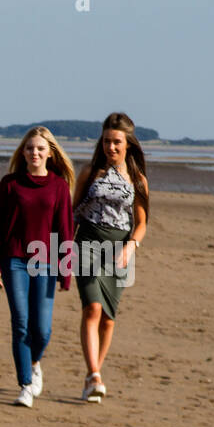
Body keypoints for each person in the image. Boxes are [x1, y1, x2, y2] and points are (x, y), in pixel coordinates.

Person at [0, 126, 75, 407]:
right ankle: (25, 384)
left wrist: (66, 272)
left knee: (43, 329)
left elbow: (65, 230)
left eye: (40, 149)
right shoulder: (10, 184)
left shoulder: (59, 187)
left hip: (46, 263)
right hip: (15, 262)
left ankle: (35, 363)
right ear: (22, 152)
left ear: (50, 153)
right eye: (29, 148)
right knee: (21, 323)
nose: (34, 153)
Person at [72, 112, 149, 402]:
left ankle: (92, 376)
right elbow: (73, 212)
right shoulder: (90, 172)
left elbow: (141, 222)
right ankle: (94, 375)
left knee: (108, 318)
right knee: (92, 308)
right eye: (106, 141)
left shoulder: (138, 179)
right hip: (88, 242)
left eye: (116, 142)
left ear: (128, 143)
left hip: (119, 250)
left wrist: (131, 247)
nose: (111, 147)